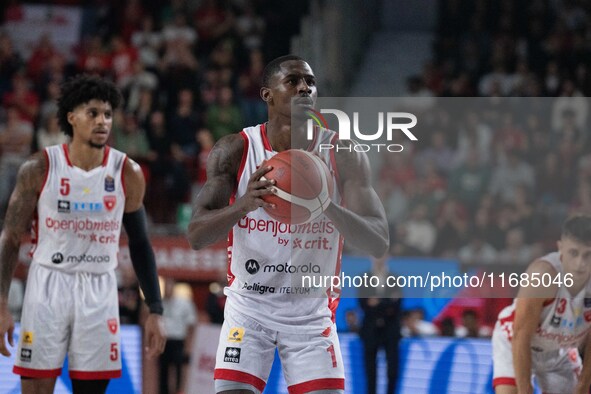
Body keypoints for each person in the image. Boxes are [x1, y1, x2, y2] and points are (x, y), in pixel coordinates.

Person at [187, 55, 389, 394]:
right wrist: (244, 205)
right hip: (249, 309)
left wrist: (327, 206)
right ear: (267, 95)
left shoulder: (342, 152)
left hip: (310, 313)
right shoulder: (236, 150)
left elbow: (378, 240)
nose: (304, 88)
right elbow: (195, 234)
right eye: (293, 81)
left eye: (310, 82)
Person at [0, 74, 167, 394]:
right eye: (92, 113)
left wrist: (155, 310)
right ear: (71, 118)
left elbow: (141, 243)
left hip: (99, 287)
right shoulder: (39, 167)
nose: (102, 121)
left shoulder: (127, 172)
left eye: (107, 114)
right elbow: (9, 236)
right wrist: (1, 303)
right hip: (48, 283)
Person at [492, 214, 591, 394]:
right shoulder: (543, 275)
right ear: (561, 248)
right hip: (516, 339)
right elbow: (521, 337)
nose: (580, 264)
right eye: (573, 253)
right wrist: (525, 390)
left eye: (588, 255)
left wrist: (583, 386)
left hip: (560, 348)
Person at [358, 254, 402, 394]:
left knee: (392, 370)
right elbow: (364, 304)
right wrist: (387, 302)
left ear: (387, 257)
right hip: (370, 330)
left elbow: (397, 305)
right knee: (370, 370)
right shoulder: (363, 278)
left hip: (390, 331)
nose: (379, 258)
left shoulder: (395, 279)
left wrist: (377, 302)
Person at [160, 278, 197, 394]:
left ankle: (178, 391)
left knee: (178, 369)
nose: (167, 289)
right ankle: (163, 391)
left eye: (169, 286)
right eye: (165, 287)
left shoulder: (184, 303)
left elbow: (191, 324)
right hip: (164, 341)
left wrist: (188, 345)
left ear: (174, 288)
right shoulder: (159, 304)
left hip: (178, 340)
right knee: (163, 369)